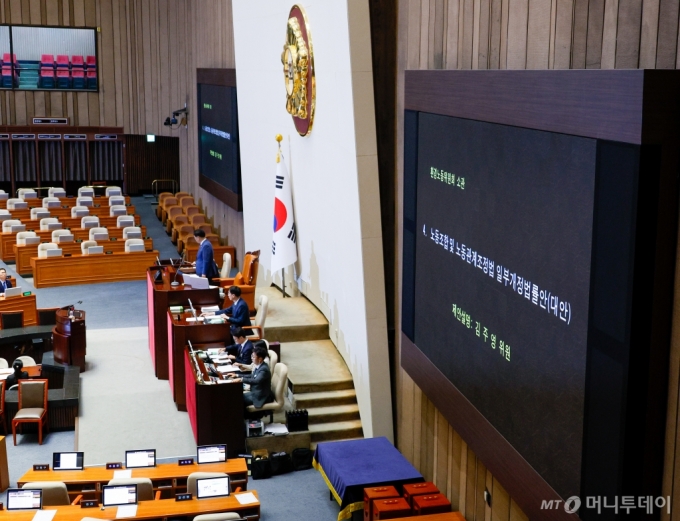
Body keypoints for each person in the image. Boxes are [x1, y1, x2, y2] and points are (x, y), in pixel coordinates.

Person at [228, 343, 273, 408]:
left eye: (253, 357)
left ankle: (245, 417)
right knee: (236, 397)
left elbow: (256, 381)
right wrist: (237, 375)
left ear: (260, 359)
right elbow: (252, 376)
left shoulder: (264, 369)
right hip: (255, 392)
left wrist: (241, 379)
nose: (251, 358)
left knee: (237, 401)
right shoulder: (259, 365)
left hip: (261, 396)